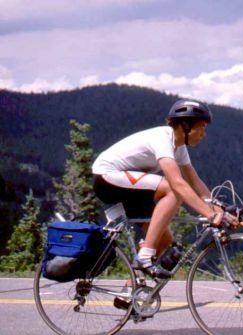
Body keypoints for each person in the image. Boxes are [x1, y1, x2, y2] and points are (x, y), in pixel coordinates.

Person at [92, 99, 231, 279]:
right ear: (185, 125)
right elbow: (177, 184)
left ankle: (131, 293)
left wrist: (219, 209)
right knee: (173, 190)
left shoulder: (178, 146)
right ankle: (144, 257)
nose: (204, 133)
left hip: (130, 187)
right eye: (202, 127)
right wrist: (209, 214)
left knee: (163, 239)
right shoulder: (162, 139)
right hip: (107, 178)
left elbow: (196, 183)